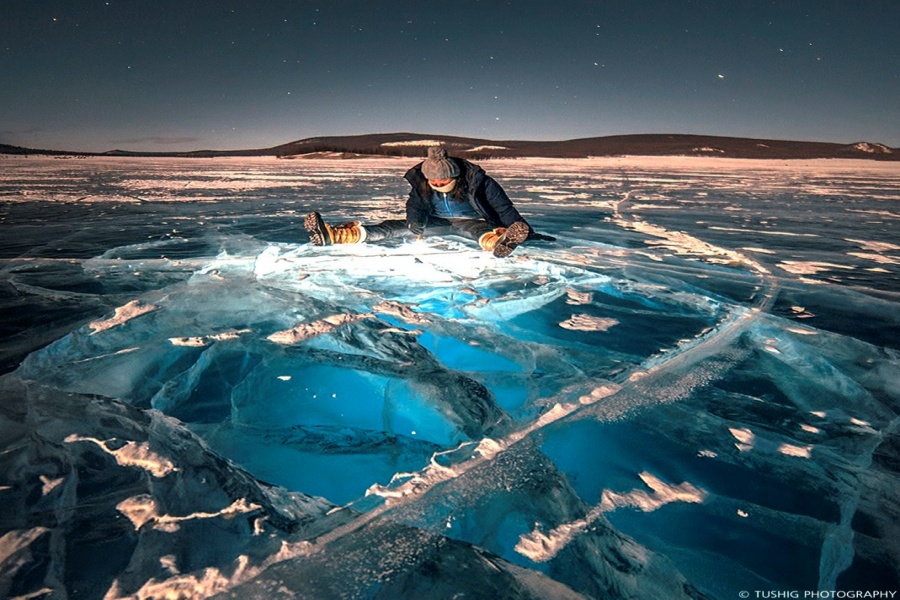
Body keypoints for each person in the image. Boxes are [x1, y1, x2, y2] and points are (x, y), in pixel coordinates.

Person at [304, 146, 554, 257]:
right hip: (438, 221)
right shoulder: (423, 184)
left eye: (441, 182)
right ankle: (335, 236)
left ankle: (502, 244)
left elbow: (503, 208)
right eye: (432, 181)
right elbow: (416, 205)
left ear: (454, 177)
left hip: (473, 220)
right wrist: (415, 223)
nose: (435, 184)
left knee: (479, 233)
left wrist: (526, 233)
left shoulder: (481, 183)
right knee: (393, 226)